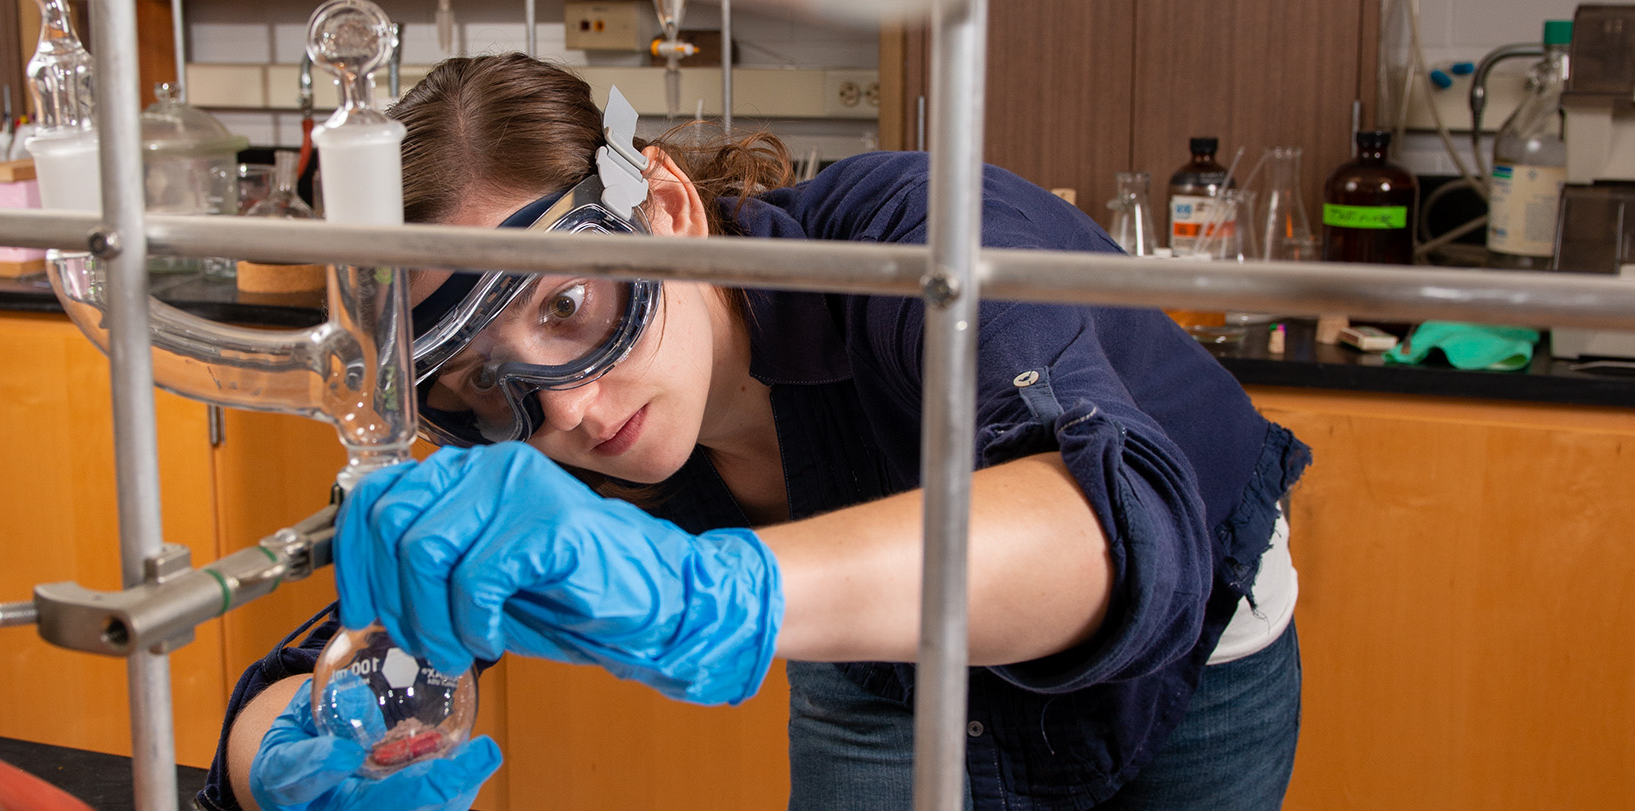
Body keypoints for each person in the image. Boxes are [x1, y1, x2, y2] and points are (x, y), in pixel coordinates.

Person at [198, 52, 1309, 811]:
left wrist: (706, 594)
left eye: (569, 306)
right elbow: (355, 639)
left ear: (666, 208)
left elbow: (1119, 539)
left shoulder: (903, 240)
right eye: (486, 384)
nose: (570, 411)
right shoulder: (535, 435)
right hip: (876, 664)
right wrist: (291, 764)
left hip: (1195, 652)